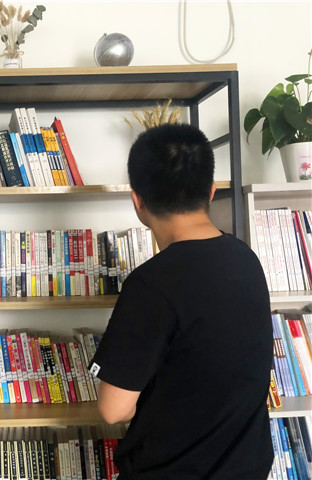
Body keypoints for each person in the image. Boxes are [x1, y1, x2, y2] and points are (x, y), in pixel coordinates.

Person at [88, 123, 274, 479]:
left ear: (137, 201)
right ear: (211, 191)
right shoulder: (246, 259)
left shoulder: (150, 284)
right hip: (247, 469)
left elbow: (114, 410)